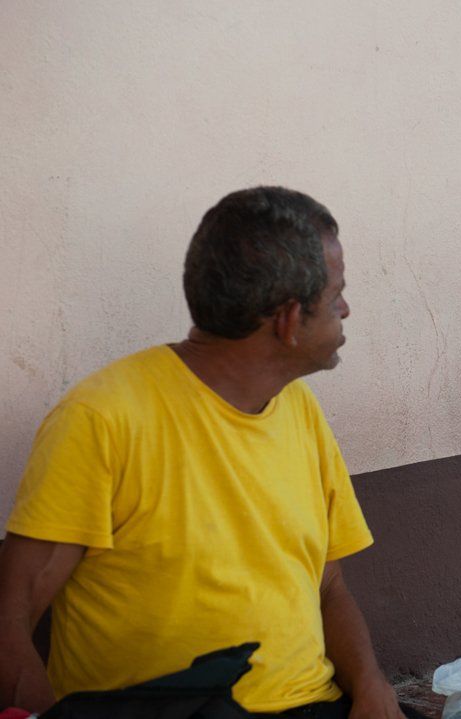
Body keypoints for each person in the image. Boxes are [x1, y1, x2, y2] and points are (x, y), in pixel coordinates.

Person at [0, 187, 406, 719]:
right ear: (288, 320)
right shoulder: (102, 418)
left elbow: (327, 585)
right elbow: (10, 620)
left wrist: (372, 686)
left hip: (312, 704)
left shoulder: (299, 408)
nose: (346, 309)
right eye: (337, 297)